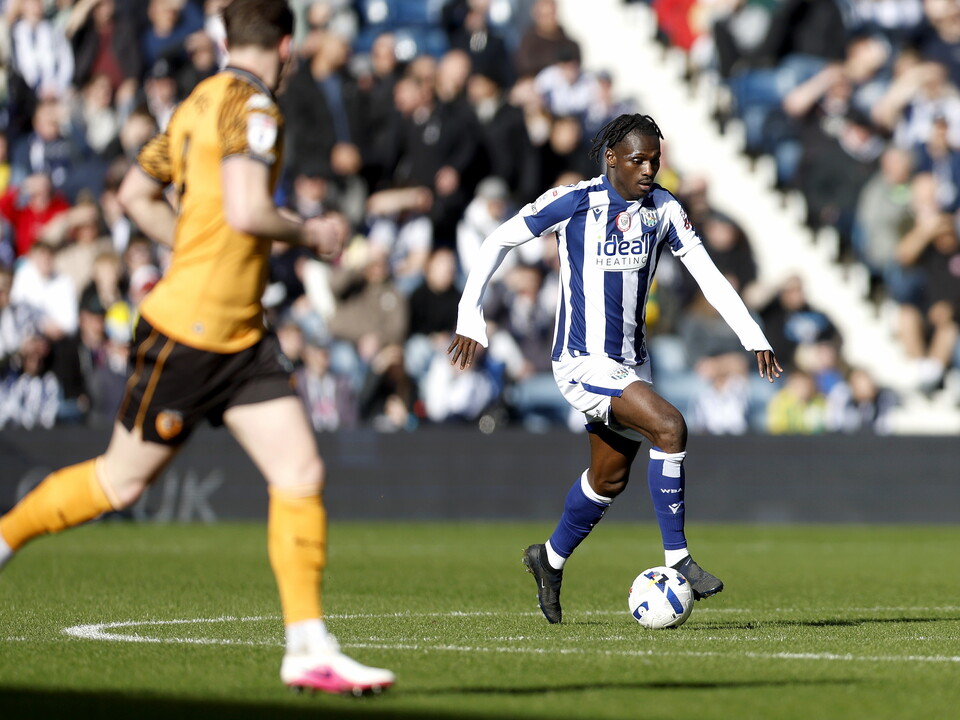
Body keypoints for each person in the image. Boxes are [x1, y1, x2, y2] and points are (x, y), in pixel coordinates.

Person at [0, 0, 394, 696]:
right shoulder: (255, 107)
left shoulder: (198, 102)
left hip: (240, 335)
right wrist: (313, 233)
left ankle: (308, 647)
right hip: (190, 334)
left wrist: (191, 244)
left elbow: (133, 193)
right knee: (118, 483)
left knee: (300, 470)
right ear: (286, 46)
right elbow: (246, 210)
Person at [448, 114, 782, 624]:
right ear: (611, 159)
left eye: (655, 160)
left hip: (632, 363)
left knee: (608, 479)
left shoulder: (664, 208)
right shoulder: (574, 201)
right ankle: (679, 559)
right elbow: (497, 240)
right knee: (670, 427)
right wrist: (469, 314)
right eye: (638, 160)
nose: (648, 169)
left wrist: (751, 332)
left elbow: (708, 274)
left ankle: (548, 559)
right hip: (581, 362)